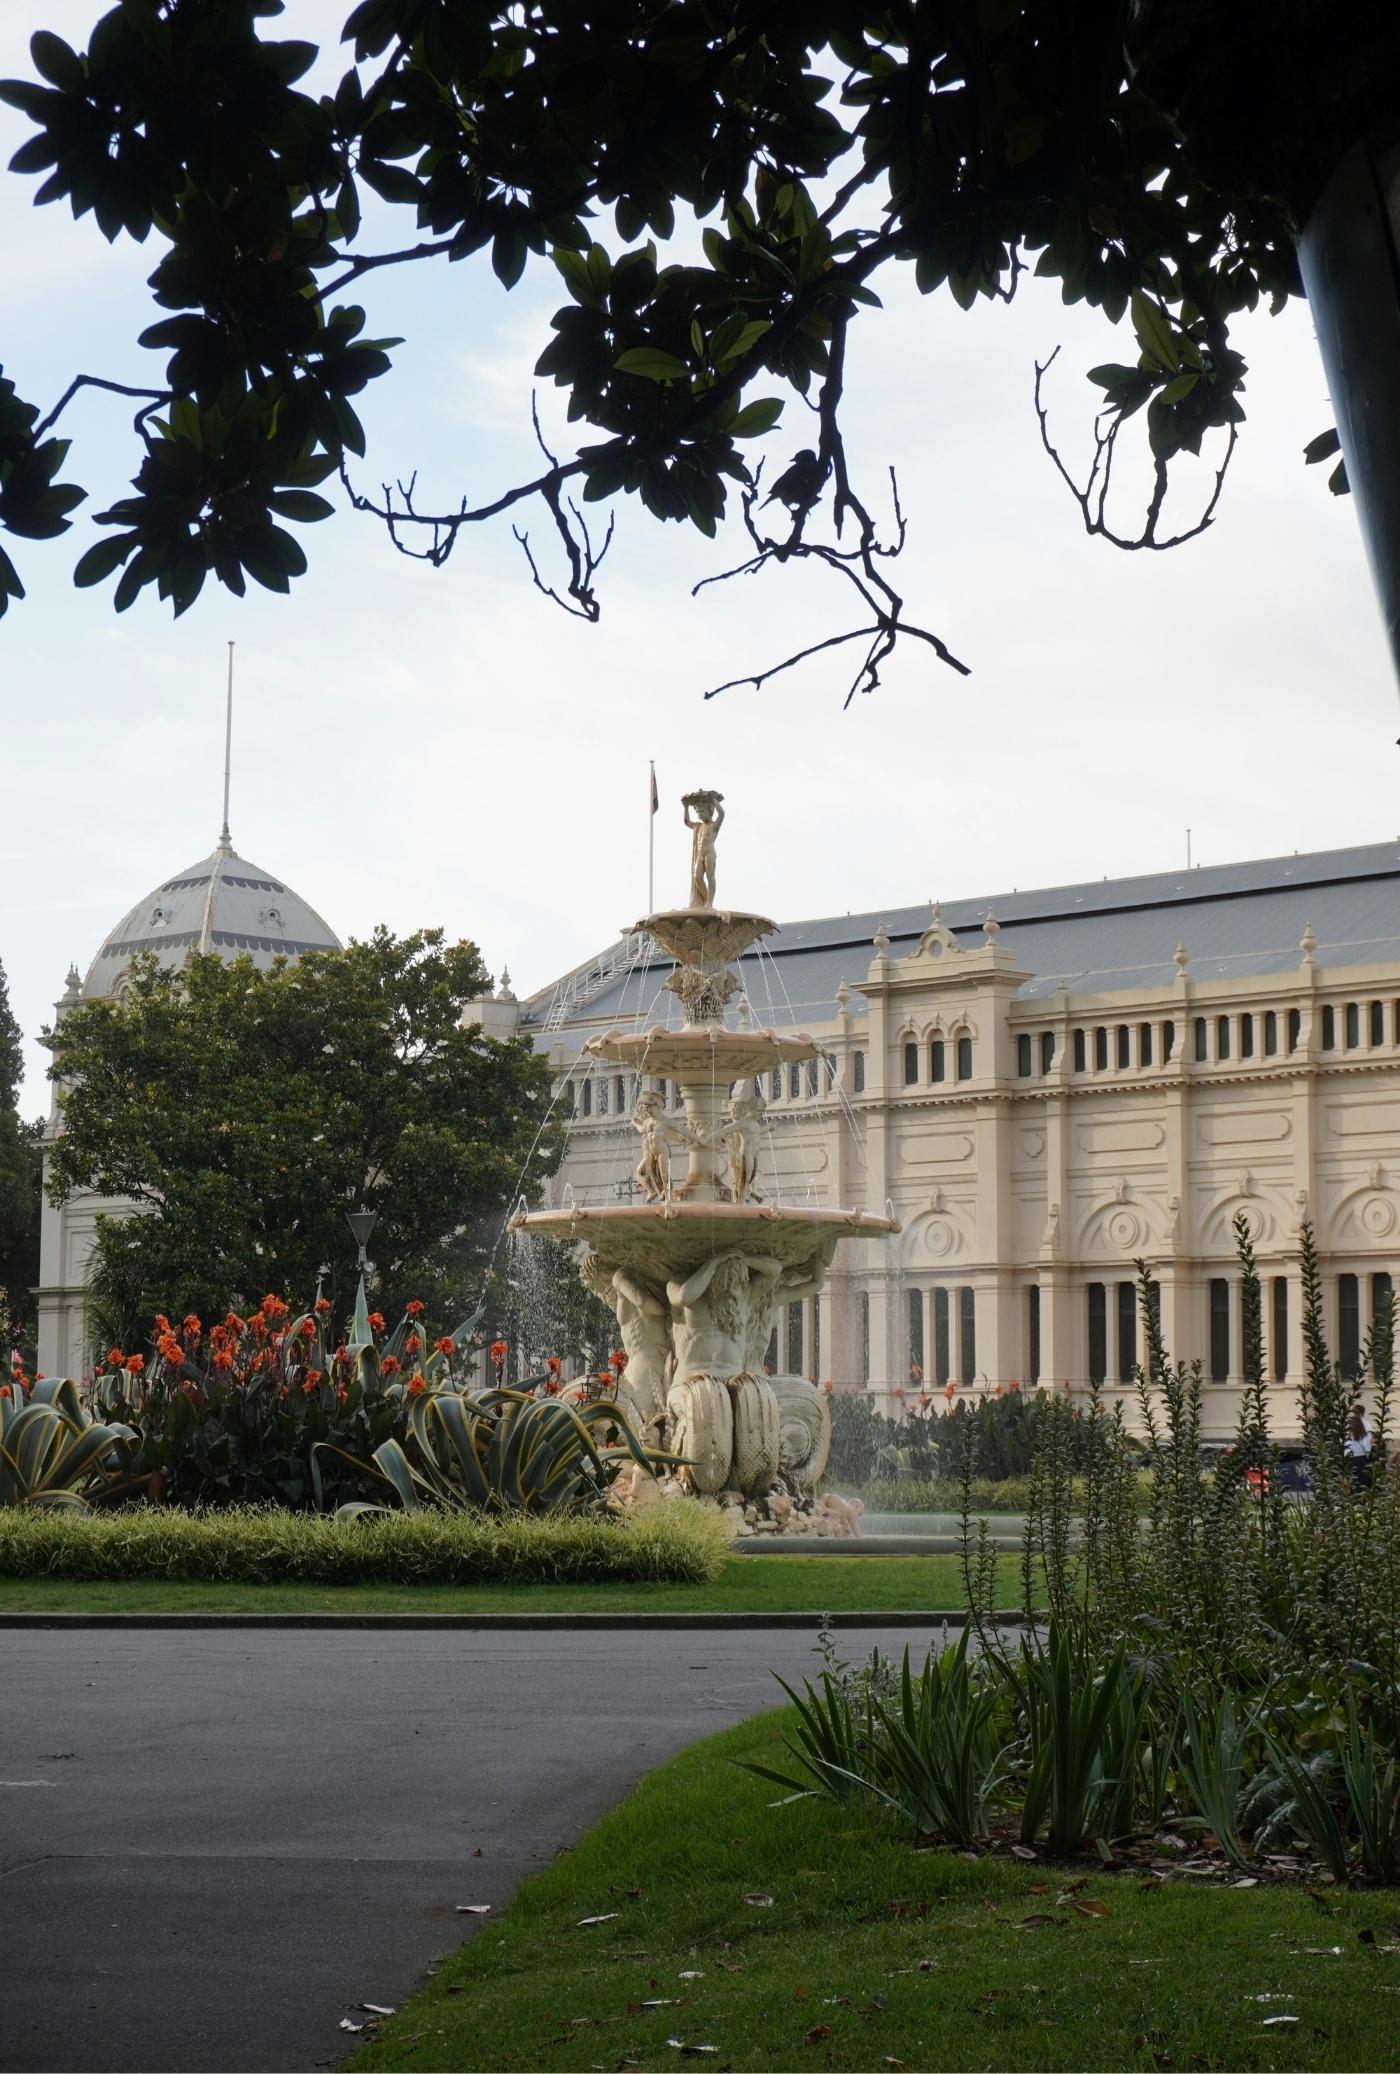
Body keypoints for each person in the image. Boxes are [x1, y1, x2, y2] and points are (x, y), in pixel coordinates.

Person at [1345, 1401, 1374, 1491]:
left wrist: (1346, 1454)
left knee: (1352, 1483)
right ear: (1363, 1413)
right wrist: (1368, 1454)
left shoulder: (1348, 1424)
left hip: (1350, 1458)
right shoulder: (1367, 1425)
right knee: (1362, 1483)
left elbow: (1345, 1441)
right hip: (1362, 1457)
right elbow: (1367, 1442)